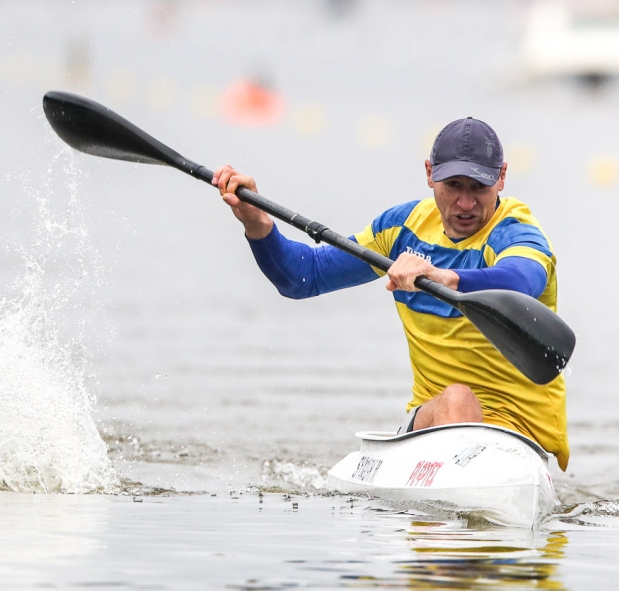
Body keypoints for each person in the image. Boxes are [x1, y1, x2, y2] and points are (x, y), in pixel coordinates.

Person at [212, 118, 569, 470]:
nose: (464, 202)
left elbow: (523, 281)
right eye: (453, 185)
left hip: (520, 442)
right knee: (458, 398)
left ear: (502, 177)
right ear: (430, 173)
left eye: (478, 187)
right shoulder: (401, 230)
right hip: (434, 426)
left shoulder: (516, 232)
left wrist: (444, 277)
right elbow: (303, 278)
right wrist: (256, 223)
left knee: (462, 401)